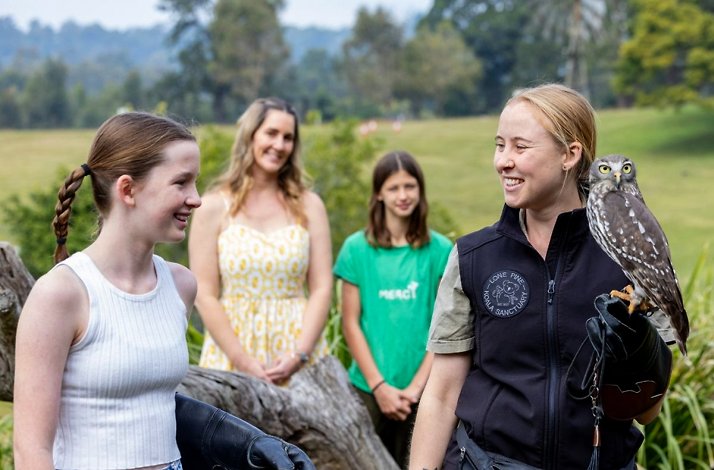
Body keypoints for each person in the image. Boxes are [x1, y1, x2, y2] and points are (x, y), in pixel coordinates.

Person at [13, 111, 315, 470]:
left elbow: (158, 403)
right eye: (181, 183)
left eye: (196, 182)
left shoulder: (180, 286)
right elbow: (31, 452)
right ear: (128, 190)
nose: (197, 198)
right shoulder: (62, 294)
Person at [409, 84, 673, 470]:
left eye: (520, 146)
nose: (503, 161)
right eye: (500, 145)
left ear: (570, 154)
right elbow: (442, 394)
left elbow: (647, 412)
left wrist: (637, 354)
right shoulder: (473, 257)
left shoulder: (629, 257)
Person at [189, 97, 332, 384]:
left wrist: (299, 355)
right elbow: (204, 294)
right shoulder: (213, 207)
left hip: (298, 354)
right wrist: (243, 361)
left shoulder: (309, 205)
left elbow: (322, 287)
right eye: (271, 133)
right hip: (232, 354)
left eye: (288, 138)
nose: (279, 145)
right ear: (251, 135)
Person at [334, 151, 452, 468]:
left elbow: (445, 328)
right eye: (394, 188)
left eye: (410, 186)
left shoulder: (439, 251)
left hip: (424, 392)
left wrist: (415, 389)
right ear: (379, 194)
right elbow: (351, 323)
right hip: (368, 389)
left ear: (420, 190)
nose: (403, 196)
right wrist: (380, 387)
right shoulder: (356, 249)